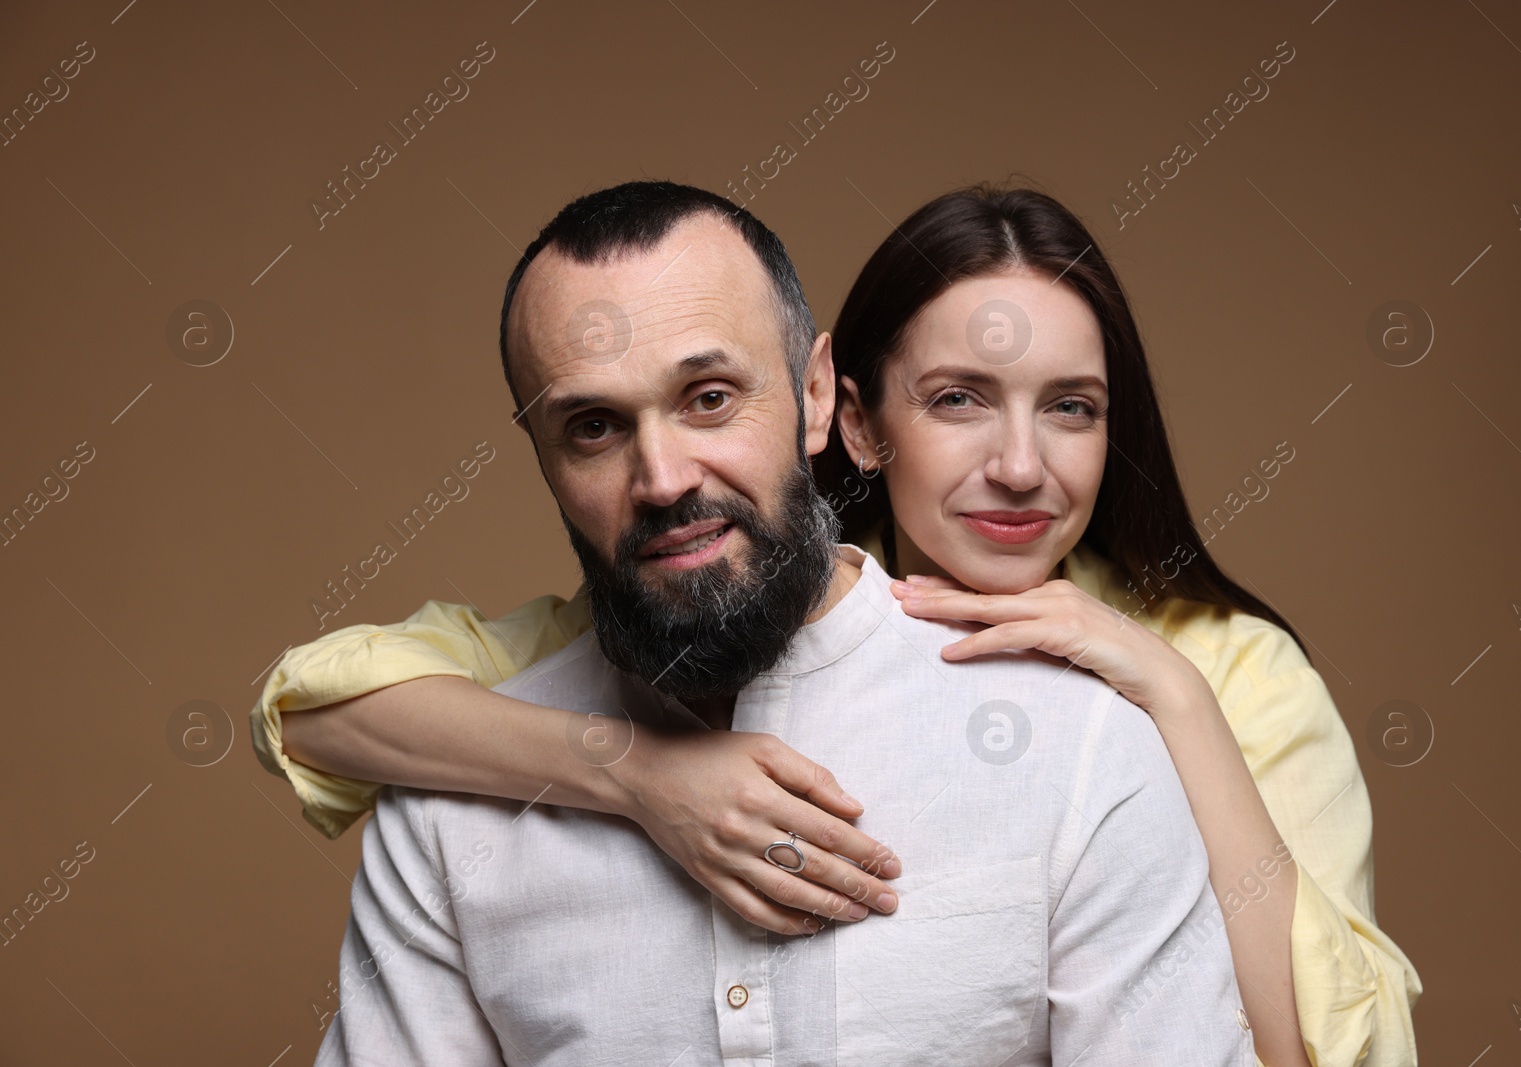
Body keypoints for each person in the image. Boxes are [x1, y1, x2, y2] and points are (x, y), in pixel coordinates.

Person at [255, 182, 1422, 1066]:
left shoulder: (1141, 714)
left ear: (809, 396)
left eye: (1071, 408)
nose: (1017, 465)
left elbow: (1325, 1045)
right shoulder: (576, 654)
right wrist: (638, 772)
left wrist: (1168, 695)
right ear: (855, 419)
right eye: (957, 399)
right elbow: (318, 709)